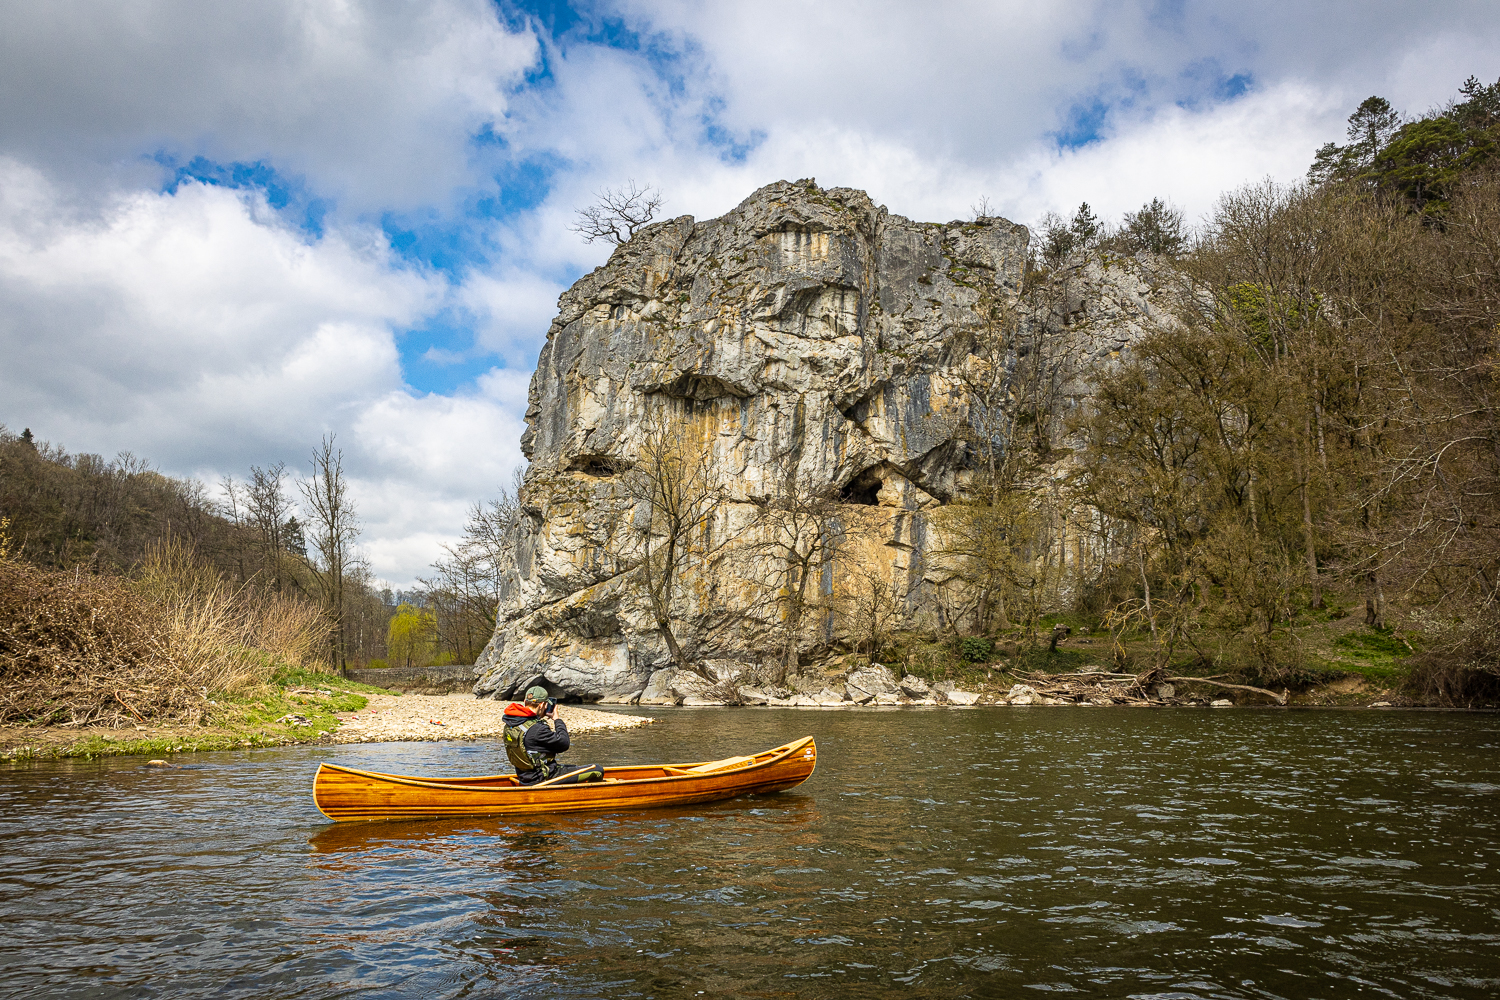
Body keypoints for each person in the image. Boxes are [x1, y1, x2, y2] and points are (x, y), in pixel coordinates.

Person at [502, 685, 604, 785]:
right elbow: (564, 743)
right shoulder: (538, 729)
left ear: (525, 702)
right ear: (542, 705)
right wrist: (557, 719)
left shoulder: (510, 724)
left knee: (569, 767)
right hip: (544, 778)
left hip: (525, 777)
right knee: (597, 770)